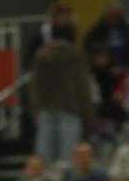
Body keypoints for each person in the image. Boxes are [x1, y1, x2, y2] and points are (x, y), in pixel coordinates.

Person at [30, 21, 93, 165]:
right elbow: (82, 85)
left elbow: (34, 87)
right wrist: (89, 114)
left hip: (45, 110)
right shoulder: (76, 54)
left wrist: (36, 111)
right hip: (70, 109)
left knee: (43, 160)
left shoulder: (41, 55)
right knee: (68, 160)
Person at [84, 0, 129, 73]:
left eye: (118, 15)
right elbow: (87, 48)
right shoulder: (96, 31)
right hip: (102, 72)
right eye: (113, 15)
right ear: (107, 14)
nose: (114, 18)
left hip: (127, 69)